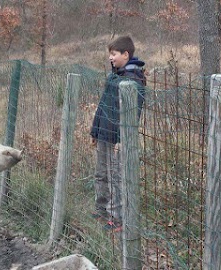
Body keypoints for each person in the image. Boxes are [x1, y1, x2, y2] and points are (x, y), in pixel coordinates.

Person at [90, 35, 146, 232]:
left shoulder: (133, 81)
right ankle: (101, 208)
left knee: (115, 176)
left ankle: (117, 218)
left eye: (113, 54)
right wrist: (95, 131)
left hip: (117, 139)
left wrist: (122, 140)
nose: (110, 58)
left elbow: (133, 114)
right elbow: (103, 106)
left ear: (126, 54)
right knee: (101, 173)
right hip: (104, 133)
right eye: (109, 55)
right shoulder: (113, 77)